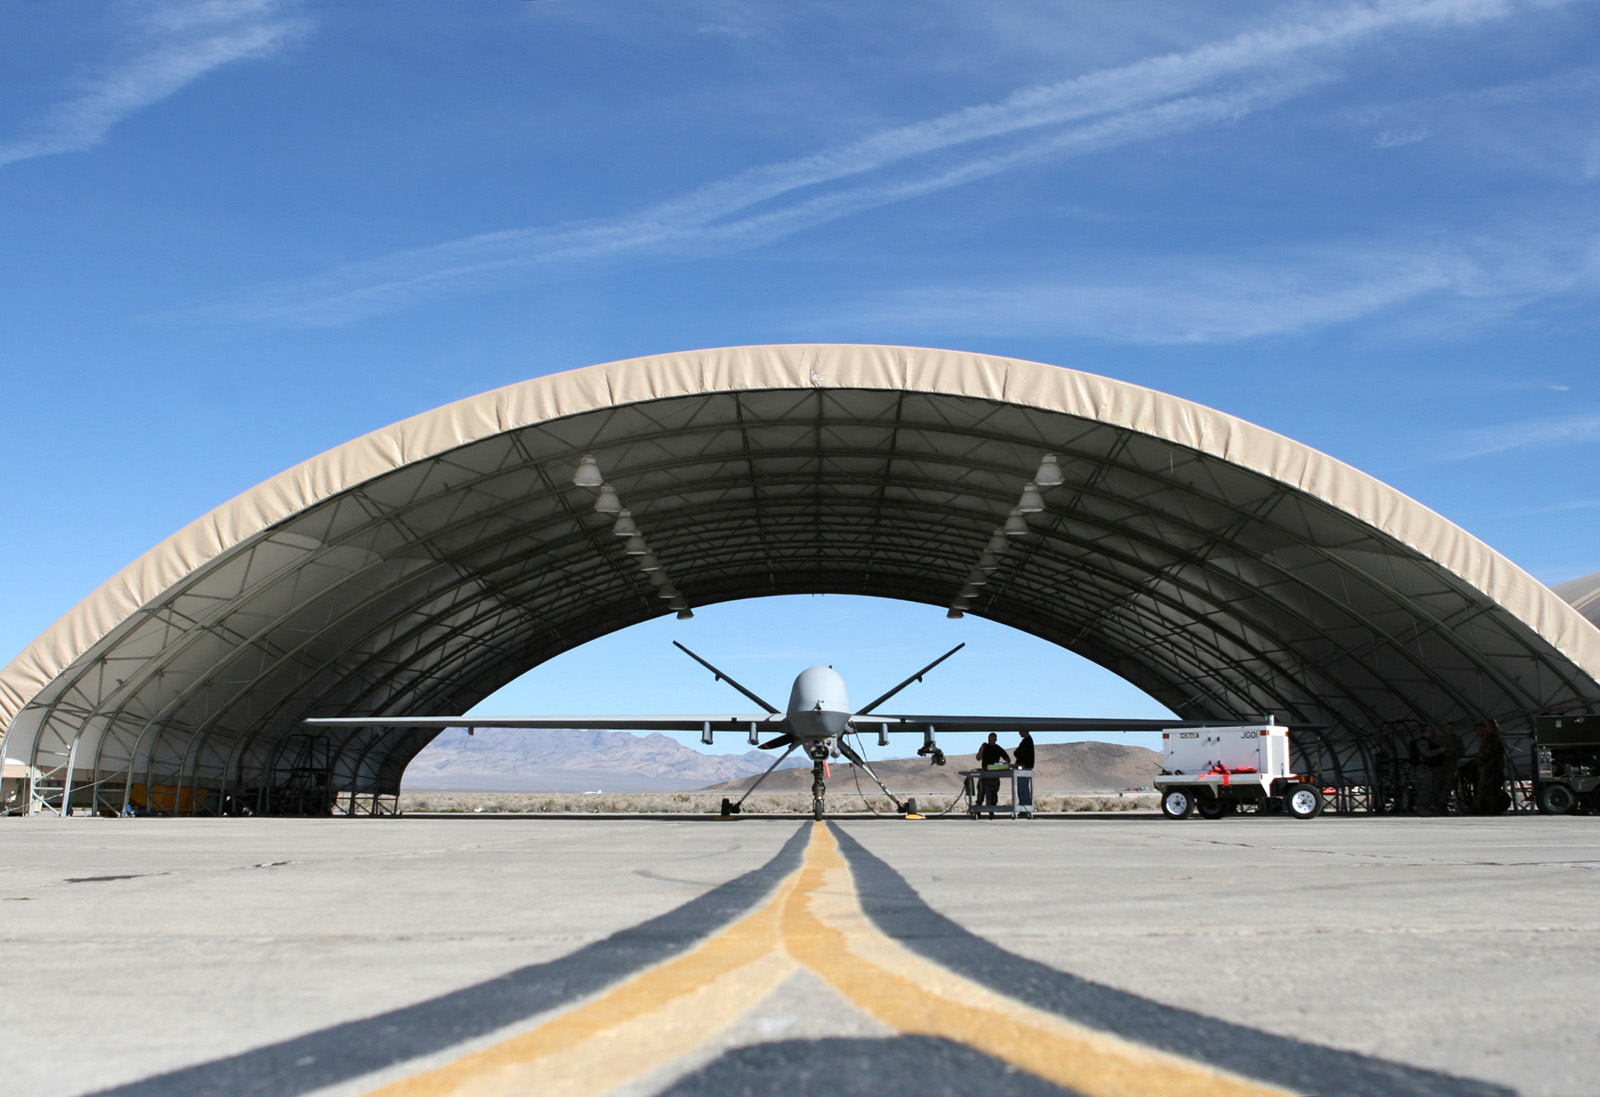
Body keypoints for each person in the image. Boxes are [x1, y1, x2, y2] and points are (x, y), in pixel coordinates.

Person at [1473, 720, 1506, 814]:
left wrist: (1480, 757)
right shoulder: (1491, 738)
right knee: (1489, 788)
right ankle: (1489, 806)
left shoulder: (1491, 738)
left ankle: (1488, 807)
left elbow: (1488, 752)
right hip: (1491, 767)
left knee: (1488, 788)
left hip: (1490, 768)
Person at [975, 732, 1010, 810]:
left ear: (995, 740)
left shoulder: (998, 749)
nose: (990, 741)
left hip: (994, 773)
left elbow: (1008, 760)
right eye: (989, 740)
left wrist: (1001, 765)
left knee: (993, 792)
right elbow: (978, 758)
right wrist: (982, 749)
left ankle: (992, 809)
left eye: (992, 740)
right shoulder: (985, 747)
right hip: (984, 772)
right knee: (981, 791)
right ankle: (978, 809)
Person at [1415, 726, 1446, 814]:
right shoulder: (1422, 742)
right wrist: (1440, 751)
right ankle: (1422, 807)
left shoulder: (1432, 741)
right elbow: (1427, 754)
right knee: (1426, 788)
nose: (1433, 732)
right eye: (1430, 730)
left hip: (1433, 768)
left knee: (1433, 788)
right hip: (1425, 768)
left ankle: (1429, 807)